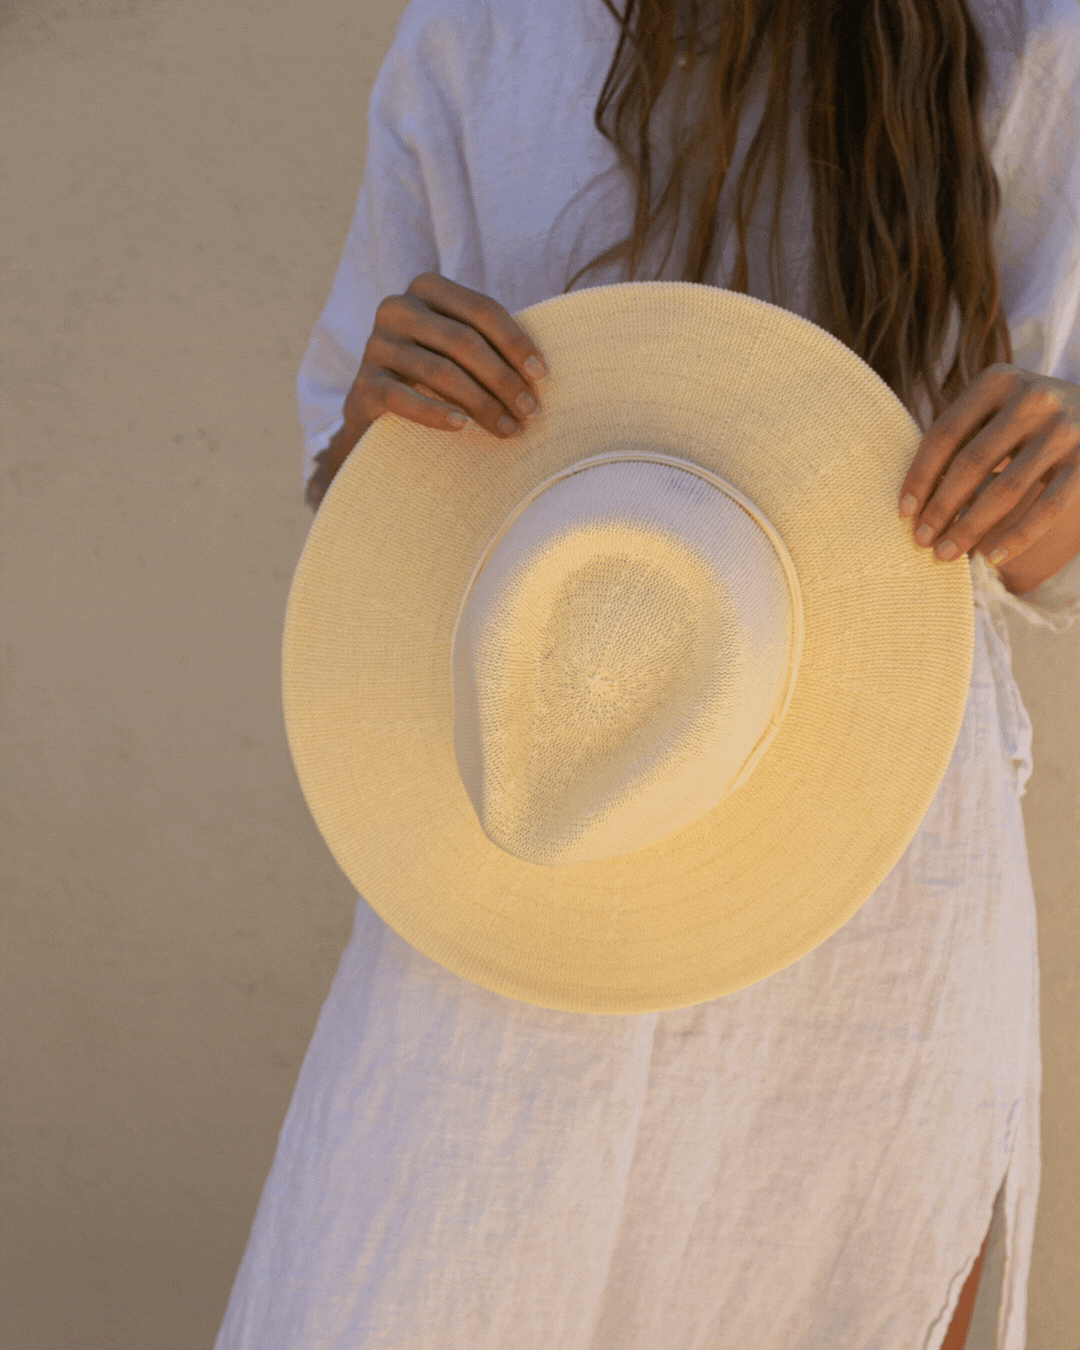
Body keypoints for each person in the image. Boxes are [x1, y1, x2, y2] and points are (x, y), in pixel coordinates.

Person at [215, 2, 1080, 1347]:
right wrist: (384, 422)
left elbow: (1050, 532)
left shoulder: (1024, 33)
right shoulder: (484, 32)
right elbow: (358, 472)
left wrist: (1051, 475)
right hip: (525, 834)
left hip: (877, 865)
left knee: (847, 1279)